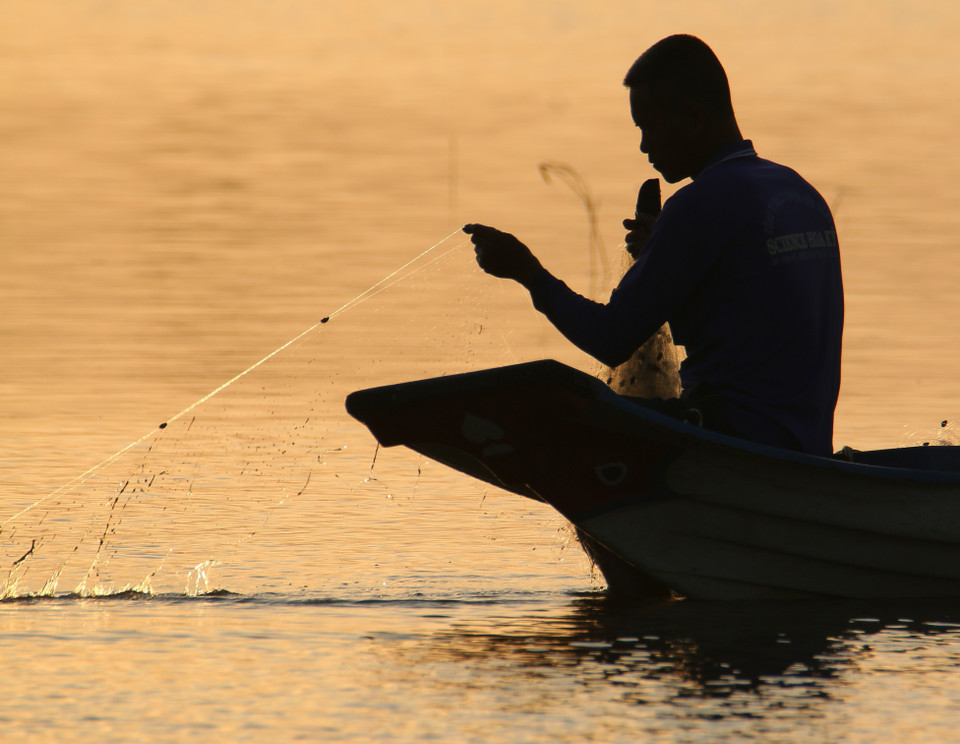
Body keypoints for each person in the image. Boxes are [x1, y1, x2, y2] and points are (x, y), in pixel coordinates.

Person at [463, 34, 844, 456]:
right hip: (806, 442)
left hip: (738, 440)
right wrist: (661, 255)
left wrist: (528, 272)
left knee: (549, 410)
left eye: (648, 128)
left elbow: (610, 339)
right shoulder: (800, 192)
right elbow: (748, 315)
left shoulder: (699, 204)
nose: (644, 146)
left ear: (693, 118)